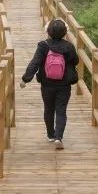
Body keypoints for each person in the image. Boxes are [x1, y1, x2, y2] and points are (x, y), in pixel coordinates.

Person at [20, 18, 79, 149]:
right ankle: (59, 137)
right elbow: (75, 61)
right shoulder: (68, 46)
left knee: (49, 109)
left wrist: (25, 79)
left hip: (47, 84)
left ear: (48, 31)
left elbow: (34, 63)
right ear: (65, 32)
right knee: (61, 110)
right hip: (64, 85)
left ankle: (51, 135)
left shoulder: (43, 46)